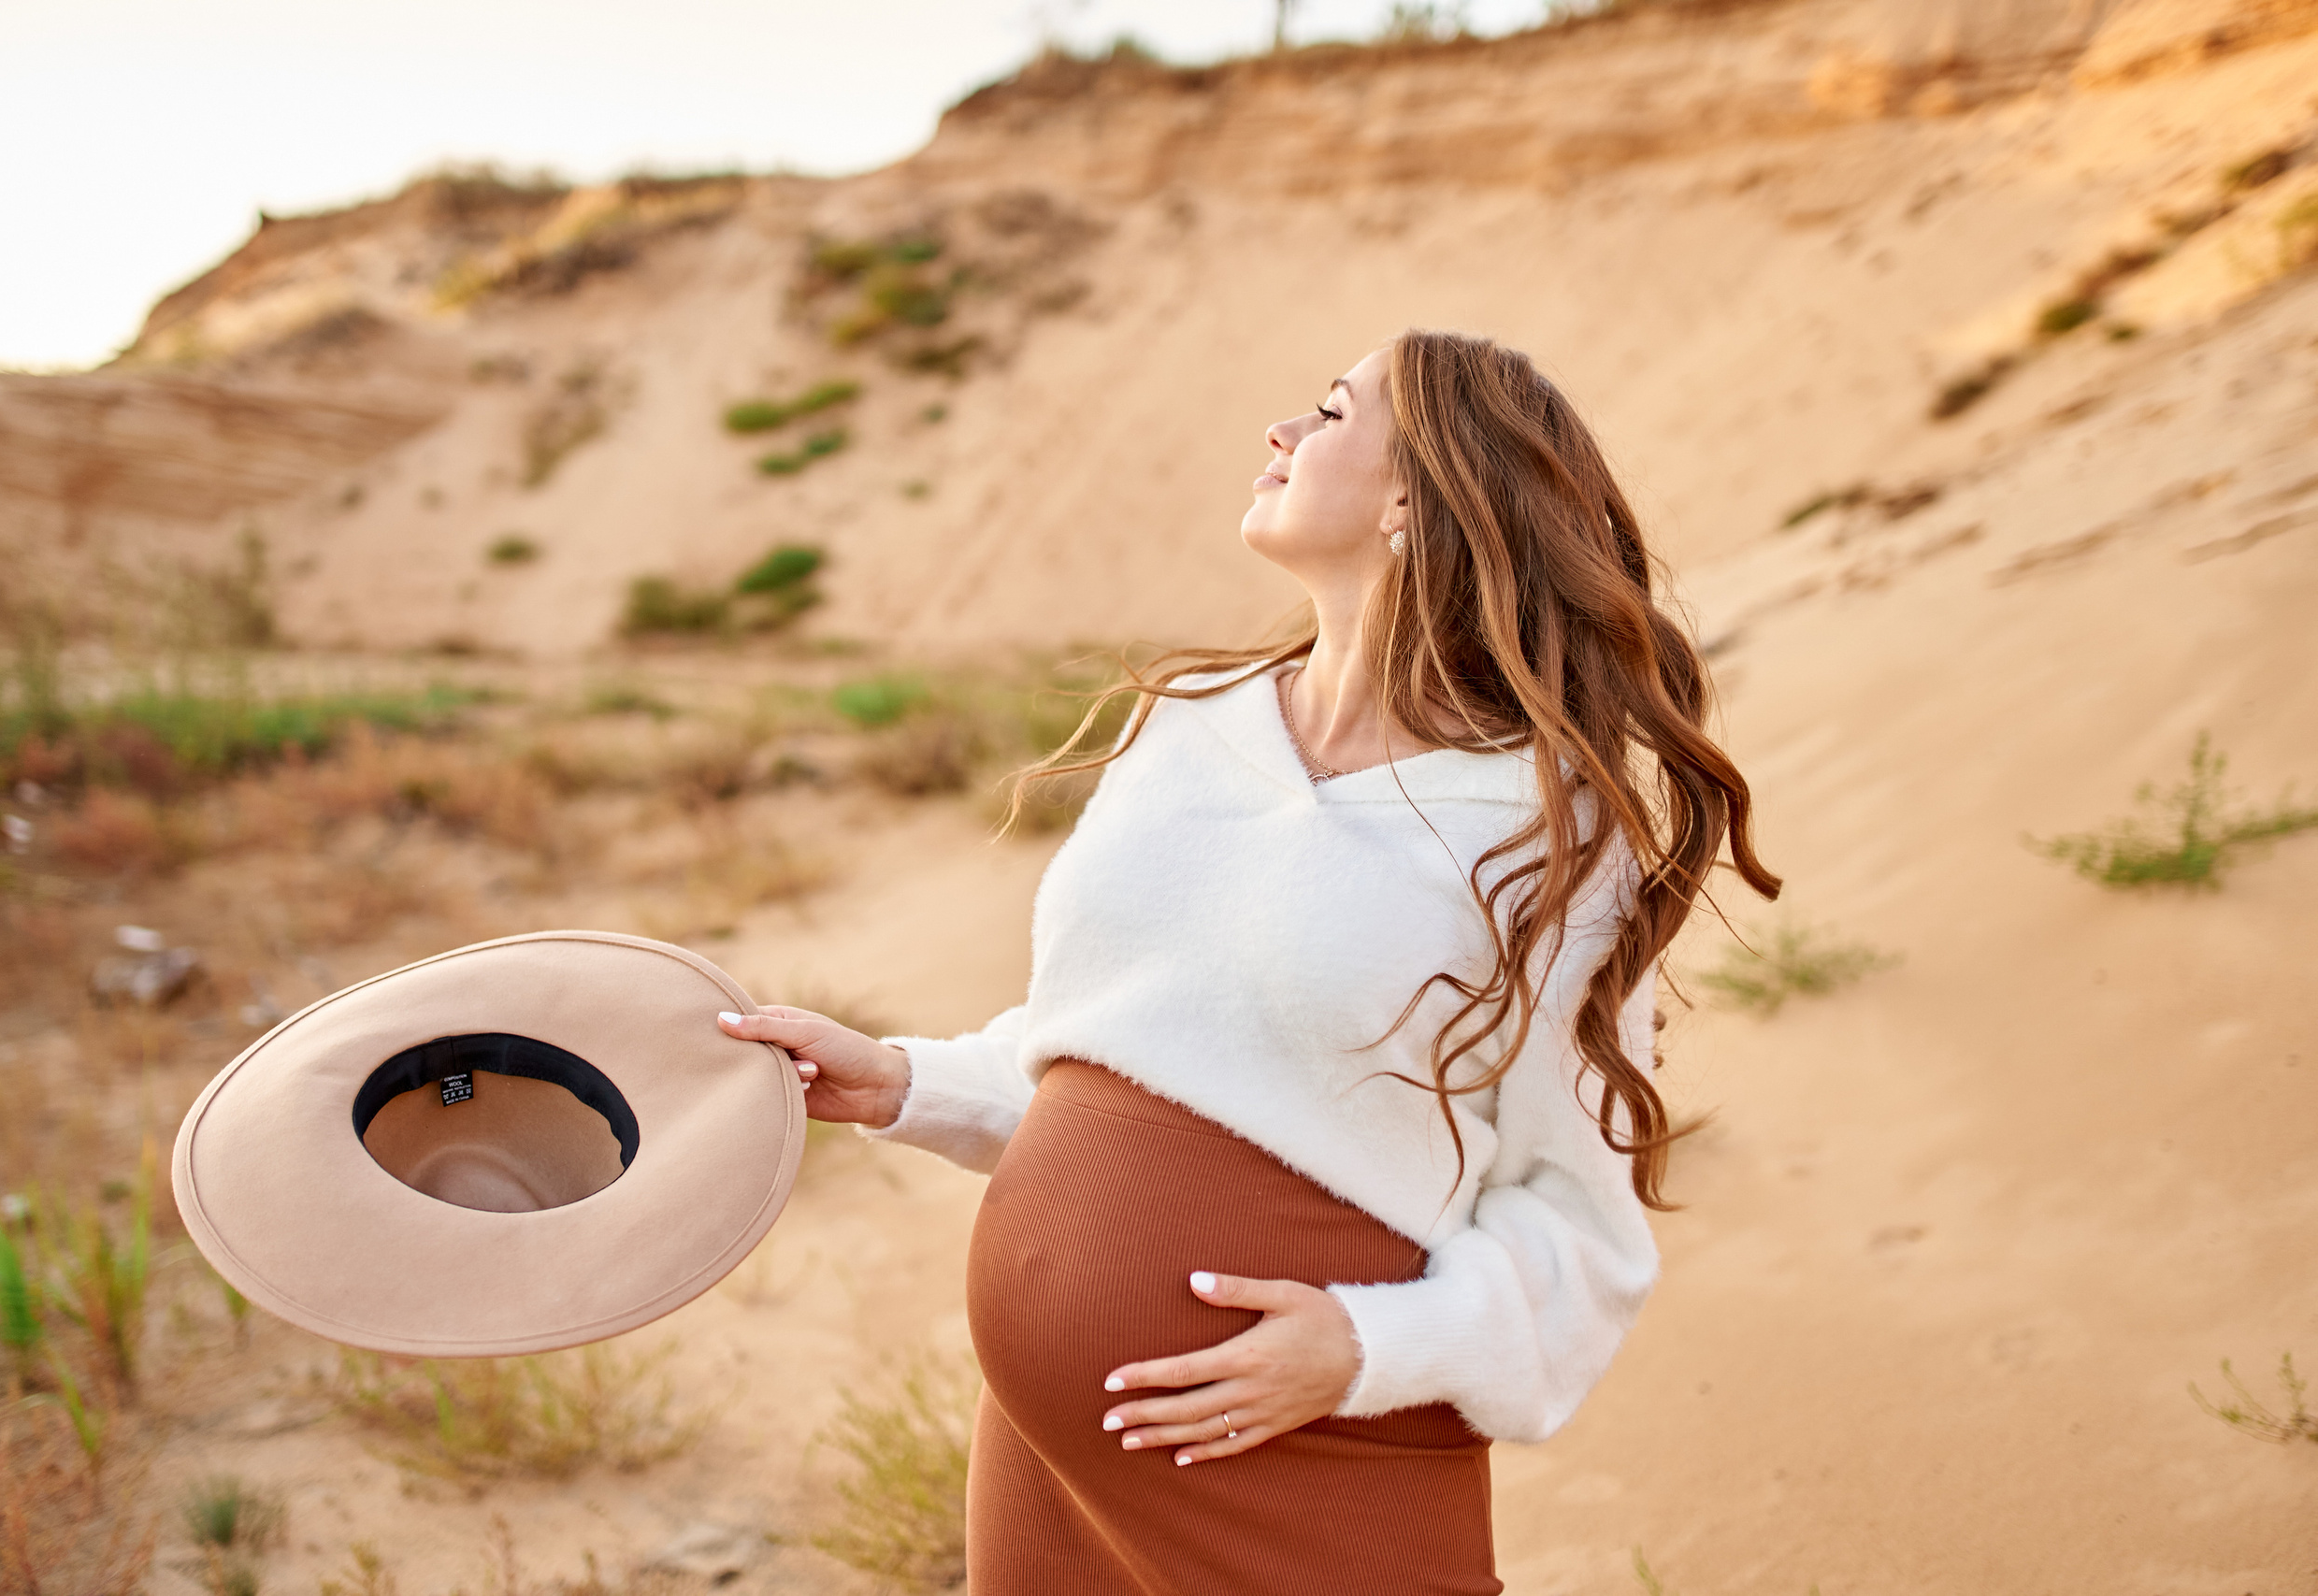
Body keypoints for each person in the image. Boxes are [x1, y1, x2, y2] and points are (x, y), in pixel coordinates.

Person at [718, 328, 1778, 1595]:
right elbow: (1125, 1044)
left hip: (1311, 1443)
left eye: (1327, 414)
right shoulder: (1185, 730)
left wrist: (1365, 1348)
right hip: (1061, 1454)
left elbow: (1578, 1225)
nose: (1278, 434)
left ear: (1411, 497)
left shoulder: (1545, 835)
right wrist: (901, 1081)